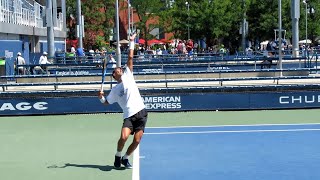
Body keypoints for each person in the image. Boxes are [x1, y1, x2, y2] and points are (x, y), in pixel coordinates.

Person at [98, 33, 147, 169]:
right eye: (116, 70)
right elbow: (106, 102)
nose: (119, 69)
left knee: (137, 140)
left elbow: (130, 57)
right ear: (114, 76)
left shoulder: (128, 75)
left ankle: (125, 158)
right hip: (128, 116)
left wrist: (132, 42)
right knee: (124, 137)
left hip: (141, 112)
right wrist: (101, 97)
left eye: (120, 68)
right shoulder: (114, 90)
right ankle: (118, 155)